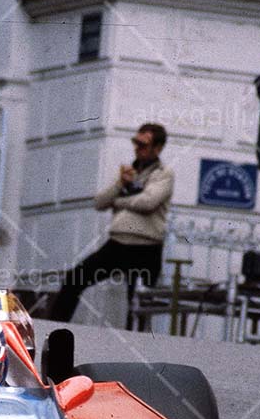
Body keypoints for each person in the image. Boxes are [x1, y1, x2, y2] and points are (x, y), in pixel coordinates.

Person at [48, 123, 173, 322]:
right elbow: (99, 202)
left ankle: (138, 347)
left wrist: (120, 201)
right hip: (119, 244)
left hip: (146, 247)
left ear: (157, 148)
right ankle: (55, 328)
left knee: (139, 302)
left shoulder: (163, 173)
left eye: (143, 145)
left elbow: (149, 202)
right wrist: (119, 184)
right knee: (75, 278)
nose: (137, 148)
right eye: (136, 143)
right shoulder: (130, 171)